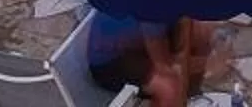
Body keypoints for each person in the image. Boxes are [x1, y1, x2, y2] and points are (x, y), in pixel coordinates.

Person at [87, 15, 226, 107]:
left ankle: (191, 97)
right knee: (168, 86)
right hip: (111, 62)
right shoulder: (152, 9)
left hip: (140, 41)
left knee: (203, 33)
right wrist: (209, 64)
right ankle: (179, 98)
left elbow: (186, 26)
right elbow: (164, 67)